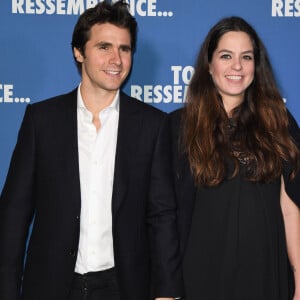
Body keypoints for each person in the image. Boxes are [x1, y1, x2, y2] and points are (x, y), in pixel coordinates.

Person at [0, 1, 183, 299]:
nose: (116, 59)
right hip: (51, 285)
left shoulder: (152, 125)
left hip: (123, 287)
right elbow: (14, 215)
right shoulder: (42, 121)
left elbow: (161, 215)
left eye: (124, 49)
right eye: (104, 47)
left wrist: (167, 291)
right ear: (79, 51)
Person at [170, 16, 300, 300]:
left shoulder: (279, 122)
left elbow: (290, 208)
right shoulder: (179, 126)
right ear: (209, 64)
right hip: (201, 276)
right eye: (226, 56)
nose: (237, 66)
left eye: (246, 57)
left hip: (266, 274)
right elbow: (165, 215)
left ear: (257, 65)